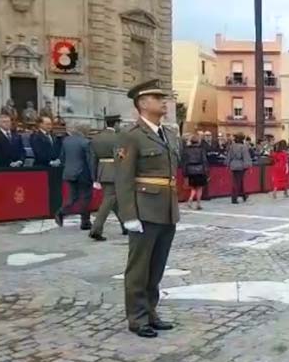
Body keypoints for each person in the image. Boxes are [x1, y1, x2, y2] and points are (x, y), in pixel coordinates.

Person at [115, 79, 179, 338]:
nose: (164, 102)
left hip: (166, 209)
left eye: (163, 97)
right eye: (157, 98)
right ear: (142, 103)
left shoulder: (168, 134)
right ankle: (137, 317)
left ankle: (151, 312)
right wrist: (129, 215)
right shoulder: (131, 135)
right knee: (139, 268)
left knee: (156, 268)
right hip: (144, 209)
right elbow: (123, 178)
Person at [89, 114, 126, 241]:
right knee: (109, 200)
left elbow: (93, 159)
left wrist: (95, 176)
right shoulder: (118, 137)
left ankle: (125, 225)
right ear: (115, 124)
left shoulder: (96, 138)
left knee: (114, 201)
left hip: (102, 171)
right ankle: (96, 229)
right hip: (114, 171)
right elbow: (120, 156)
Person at [55, 125, 94, 230]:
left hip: (69, 173)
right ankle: (85, 221)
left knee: (72, 197)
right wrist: (94, 175)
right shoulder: (86, 142)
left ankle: (61, 212)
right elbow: (90, 161)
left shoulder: (66, 141)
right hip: (83, 173)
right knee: (85, 197)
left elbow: (62, 157)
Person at [182, 132, 210, 209]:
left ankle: (190, 199)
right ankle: (198, 203)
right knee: (200, 188)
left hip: (190, 170)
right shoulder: (201, 149)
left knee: (193, 187)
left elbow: (184, 162)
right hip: (200, 170)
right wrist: (207, 171)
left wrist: (184, 173)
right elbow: (204, 160)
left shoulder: (186, 150)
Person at [228, 133, 252, 204]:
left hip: (233, 165)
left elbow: (229, 156)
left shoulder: (232, 146)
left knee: (238, 181)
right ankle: (234, 198)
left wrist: (227, 164)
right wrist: (249, 165)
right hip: (241, 165)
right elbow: (246, 157)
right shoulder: (243, 147)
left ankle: (243, 195)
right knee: (238, 182)